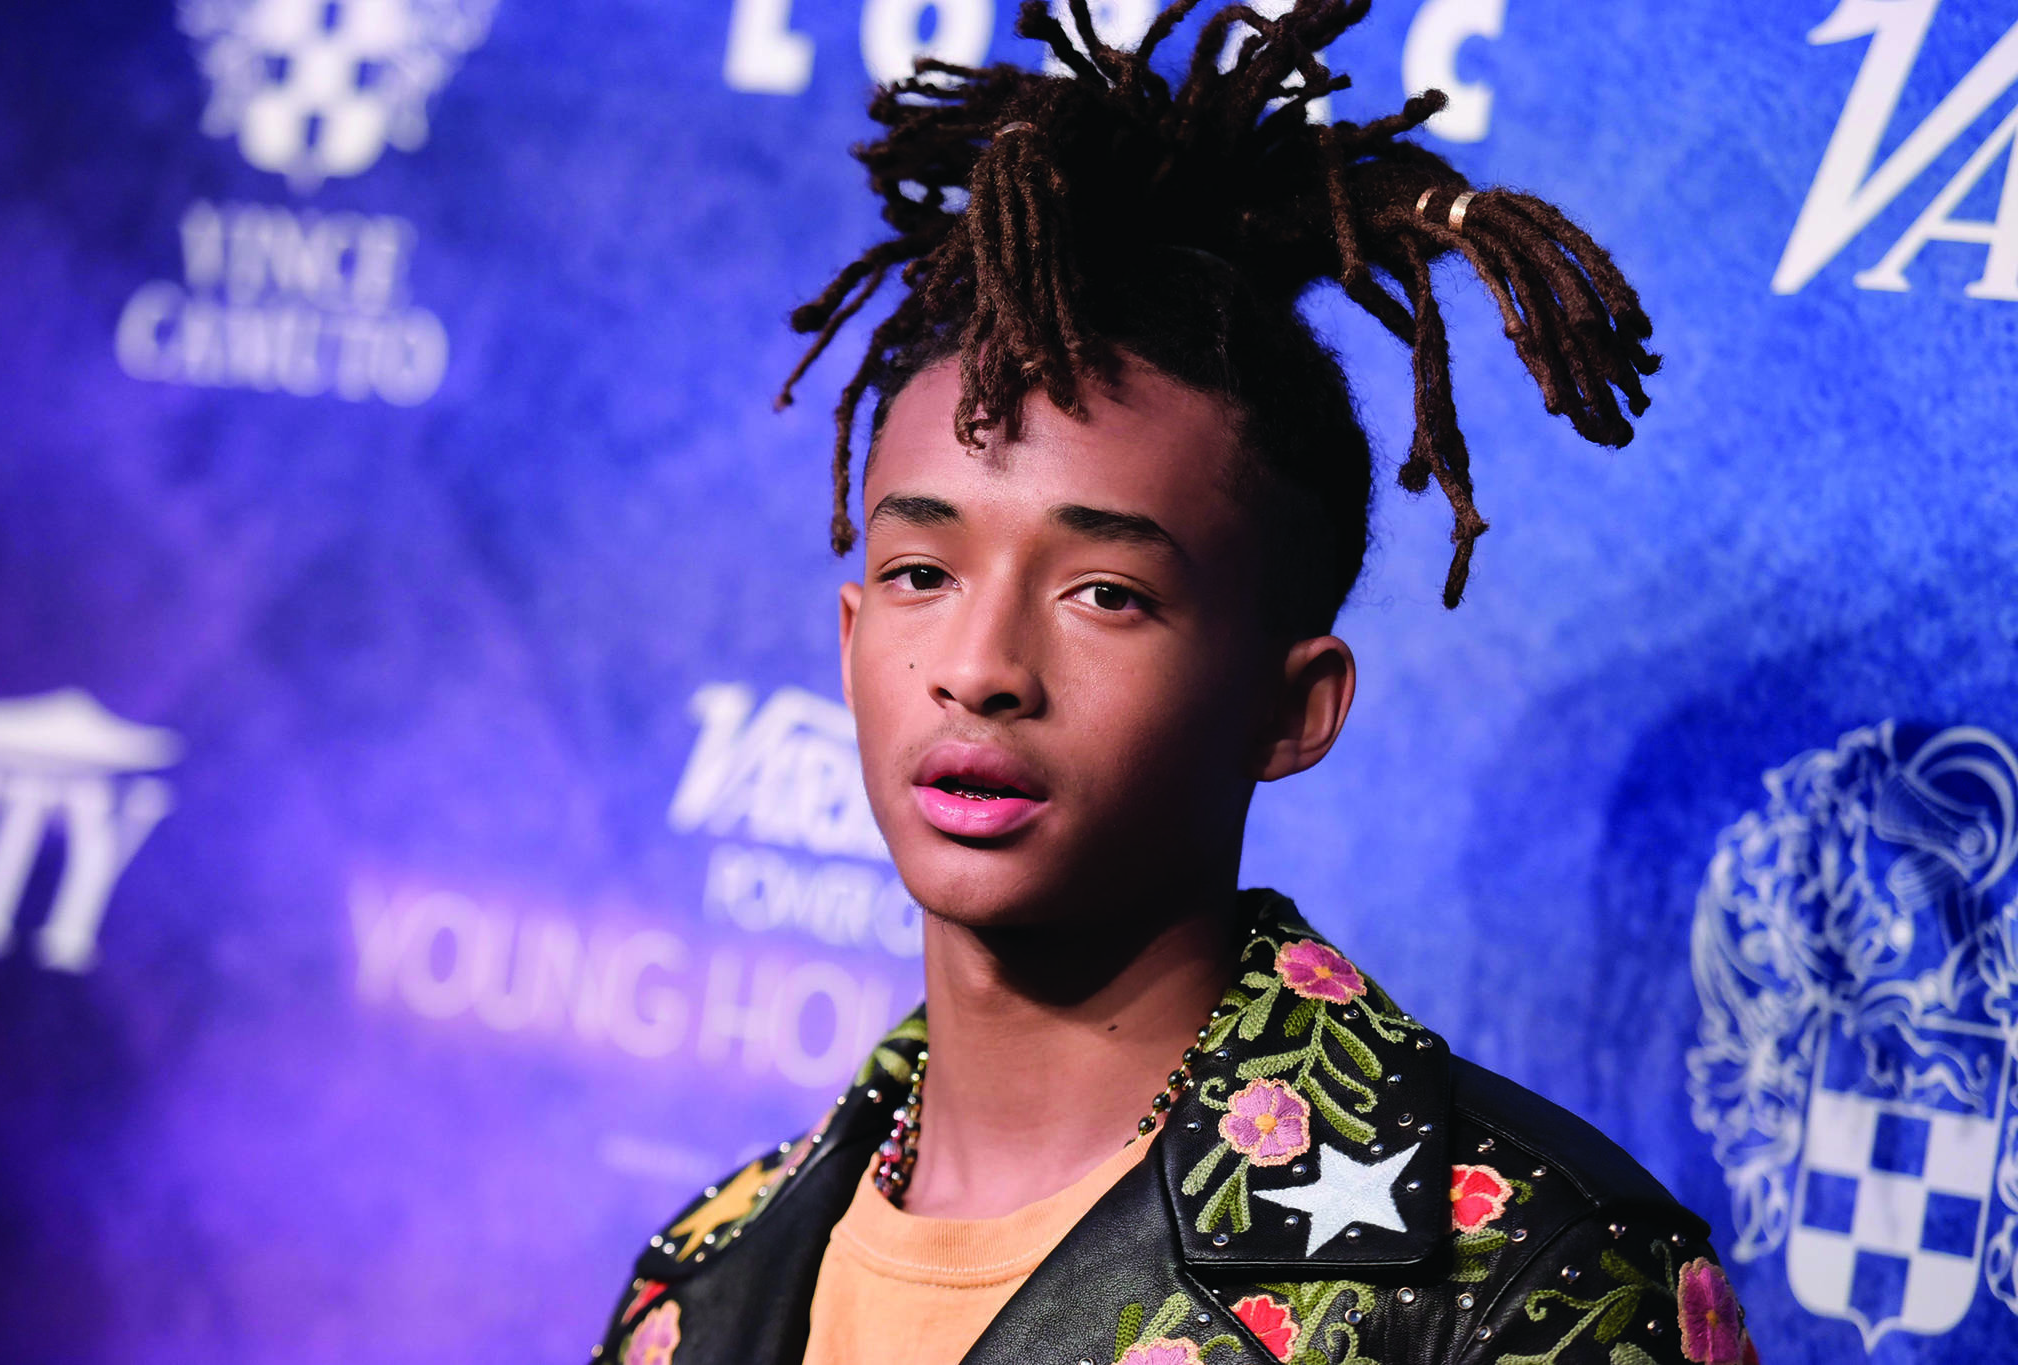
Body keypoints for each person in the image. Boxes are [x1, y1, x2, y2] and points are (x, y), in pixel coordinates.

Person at [595, 3, 1755, 1363]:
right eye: (923, 575)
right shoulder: (706, 1272)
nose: (978, 670)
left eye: (1108, 595)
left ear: (1293, 708)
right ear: (850, 640)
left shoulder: (1525, 1283)